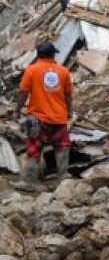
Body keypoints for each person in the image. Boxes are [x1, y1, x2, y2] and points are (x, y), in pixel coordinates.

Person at [14, 42, 73, 190]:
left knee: (34, 149)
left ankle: (28, 182)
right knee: (62, 148)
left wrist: (17, 110)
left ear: (38, 55)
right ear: (53, 55)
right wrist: (69, 111)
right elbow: (68, 95)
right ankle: (62, 180)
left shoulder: (31, 70)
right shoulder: (63, 71)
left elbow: (23, 92)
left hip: (38, 119)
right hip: (59, 118)